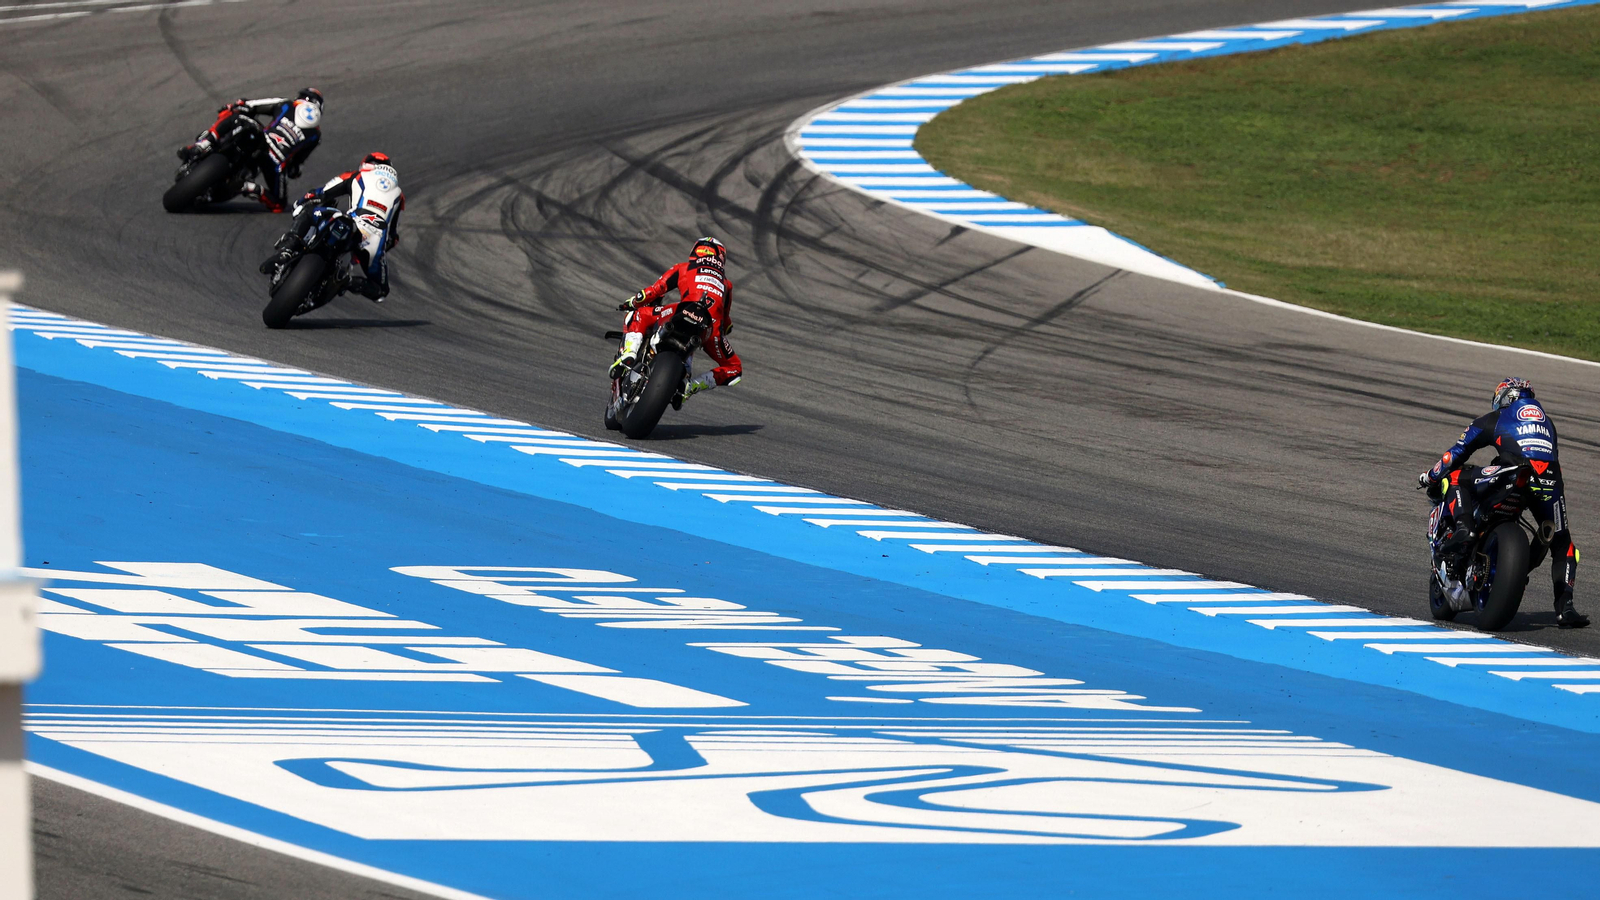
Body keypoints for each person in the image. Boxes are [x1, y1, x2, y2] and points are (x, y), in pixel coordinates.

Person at [1419, 378, 1589, 628]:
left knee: (1456, 477)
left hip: (1512, 470)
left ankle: (1464, 527)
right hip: (1549, 480)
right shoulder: (1548, 424)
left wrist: (1429, 476)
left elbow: (1454, 454)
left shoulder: (1496, 418)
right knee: (1563, 542)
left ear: (1505, 398)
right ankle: (1565, 608)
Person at [612, 236, 742, 404]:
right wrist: (725, 331)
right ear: (721, 258)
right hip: (710, 328)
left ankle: (629, 352)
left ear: (695, 252)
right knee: (735, 369)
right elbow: (726, 321)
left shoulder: (684, 267)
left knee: (641, 313)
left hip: (682, 312)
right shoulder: (726, 284)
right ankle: (692, 385)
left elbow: (652, 292)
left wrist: (631, 302)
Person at [259, 152, 404, 301]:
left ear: (365, 165)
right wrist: (374, 252)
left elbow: (322, 193)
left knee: (310, 210)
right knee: (381, 291)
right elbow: (393, 238)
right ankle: (346, 281)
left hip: (351, 221)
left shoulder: (357, 176)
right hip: (374, 240)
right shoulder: (399, 195)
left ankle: (288, 249)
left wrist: (302, 202)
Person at [179, 88, 324, 213]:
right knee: (279, 204)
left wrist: (234, 106)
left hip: (262, 139)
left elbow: (250, 105)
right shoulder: (315, 135)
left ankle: (204, 143)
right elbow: (296, 167)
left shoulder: (287, 104)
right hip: (275, 162)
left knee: (234, 116)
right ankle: (251, 188)